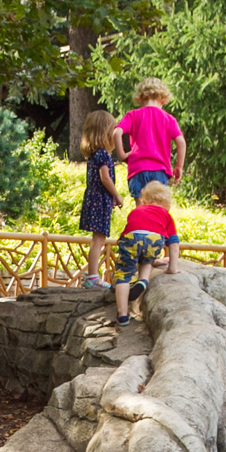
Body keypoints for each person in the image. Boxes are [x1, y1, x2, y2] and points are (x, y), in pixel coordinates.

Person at [109, 181, 181, 328]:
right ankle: (143, 281)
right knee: (147, 260)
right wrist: (172, 268)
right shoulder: (166, 216)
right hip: (154, 240)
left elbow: (131, 231)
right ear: (166, 202)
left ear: (144, 199)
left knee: (123, 274)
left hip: (131, 238)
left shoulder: (137, 211)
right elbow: (173, 243)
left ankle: (122, 315)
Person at [114, 77, 185, 199]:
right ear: (163, 100)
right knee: (157, 209)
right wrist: (179, 166)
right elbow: (181, 142)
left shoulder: (133, 115)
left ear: (141, 99)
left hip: (138, 170)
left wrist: (122, 154)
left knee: (140, 209)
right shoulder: (168, 119)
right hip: (159, 171)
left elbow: (117, 132)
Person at [78, 110, 122, 286]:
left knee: (99, 238)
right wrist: (116, 194)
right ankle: (92, 277)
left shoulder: (95, 155)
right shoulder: (103, 154)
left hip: (95, 198)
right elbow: (105, 178)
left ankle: (92, 276)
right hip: (99, 200)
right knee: (98, 239)